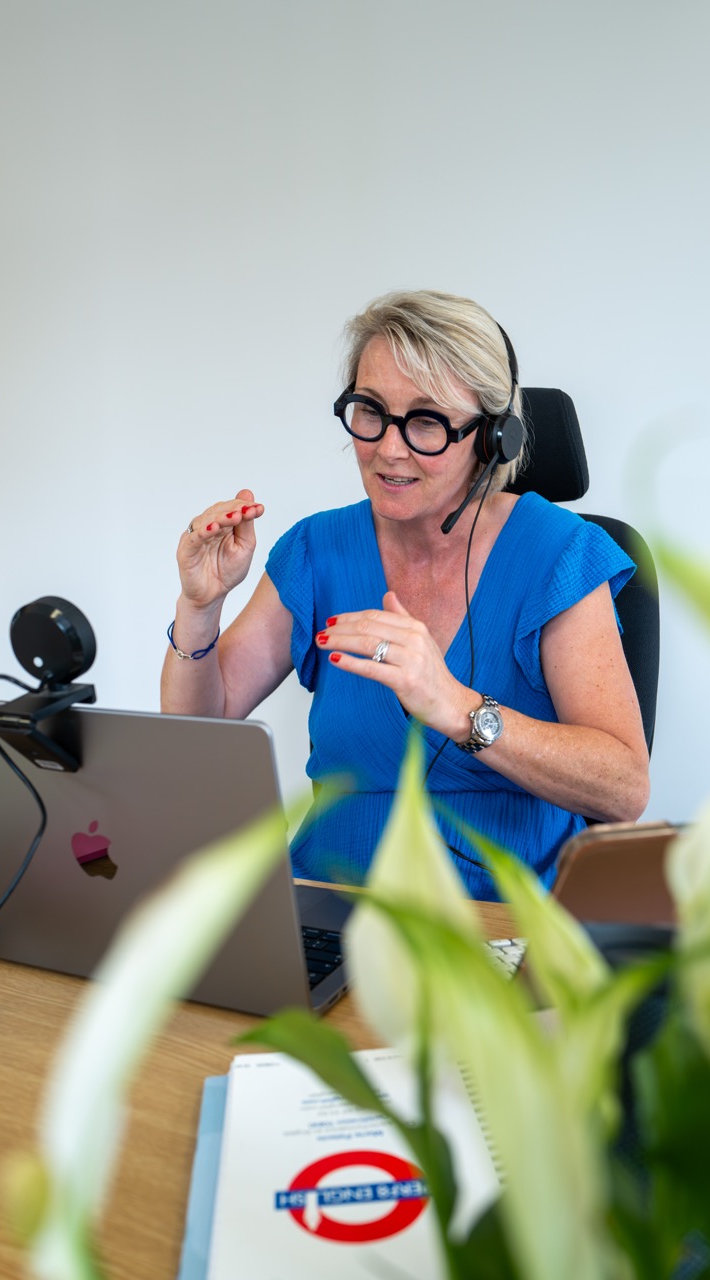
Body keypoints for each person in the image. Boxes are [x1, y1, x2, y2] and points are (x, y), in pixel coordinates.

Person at [161, 290, 649, 899]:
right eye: (371, 410)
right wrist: (200, 607)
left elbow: (623, 789)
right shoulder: (317, 549)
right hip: (330, 904)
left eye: (426, 421)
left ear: (493, 437)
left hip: (497, 924)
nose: (388, 449)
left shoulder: (557, 553)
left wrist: (457, 707)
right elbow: (197, 731)